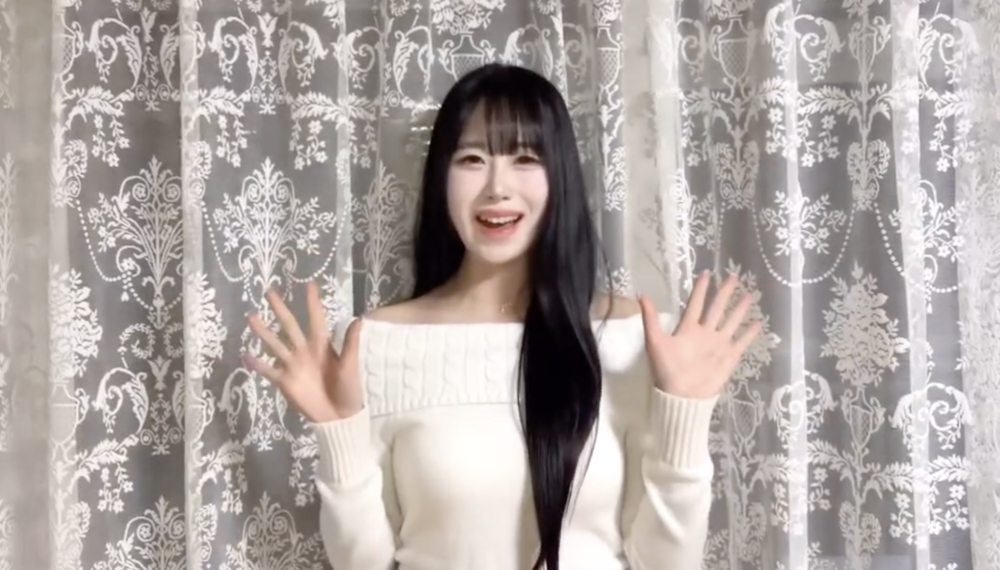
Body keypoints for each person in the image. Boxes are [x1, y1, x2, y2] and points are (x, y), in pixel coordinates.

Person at [243, 63, 761, 570]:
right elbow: (365, 565)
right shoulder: (376, 344)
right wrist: (337, 431)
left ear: (560, 176)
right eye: (471, 159)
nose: (497, 187)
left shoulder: (635, 341)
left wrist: (685, 411)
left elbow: (666, 563)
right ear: (441, 177)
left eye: (525, 158)